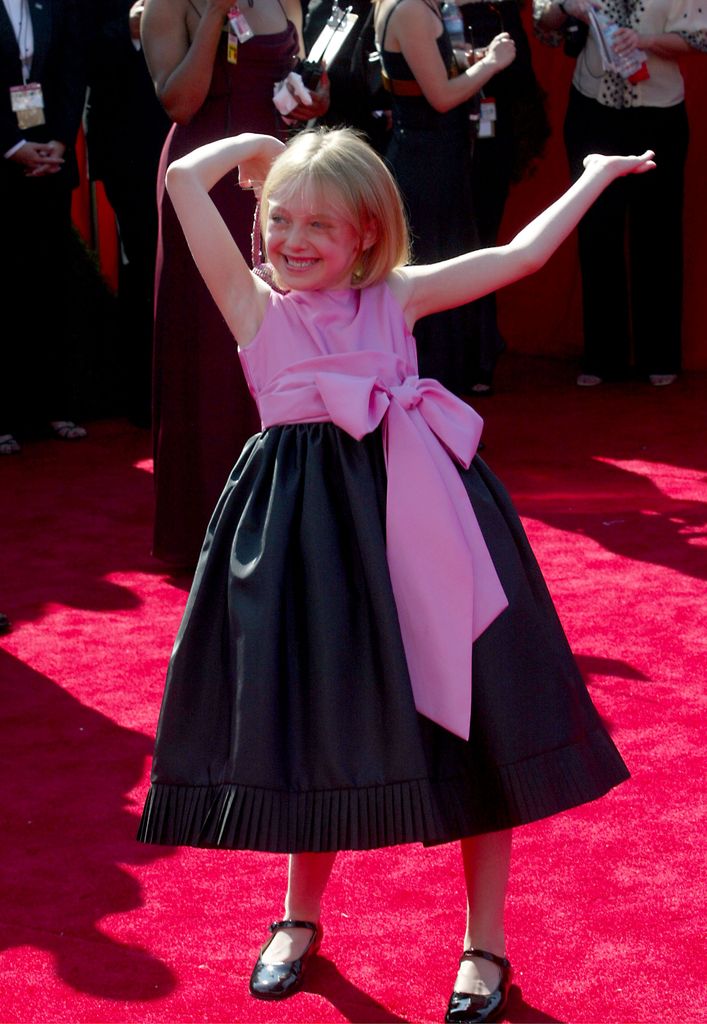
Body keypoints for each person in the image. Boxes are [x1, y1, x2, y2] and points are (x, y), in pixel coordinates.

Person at [137, 124, 653, 1021]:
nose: (291, 242)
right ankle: (298, 920)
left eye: (319, 227)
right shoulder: (254, 307)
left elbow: (521, 257)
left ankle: (481, 942)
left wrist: (595, 177)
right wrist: (263, 145)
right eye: (276, 219)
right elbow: (184, 178)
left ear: (367, 234)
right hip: (305, 551)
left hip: (429, 531)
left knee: (476, 718)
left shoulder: (399, 297)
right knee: (309, 722)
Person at [141, 0, 329, 568]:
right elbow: (180, 101)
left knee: (281, 331)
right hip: (204, 183)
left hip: (276, 183)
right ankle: (204, 523)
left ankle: (283, 514)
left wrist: (309, 102)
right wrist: (215, 21)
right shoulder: (167, 7)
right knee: (209, 344)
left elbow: (296, 90)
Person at [533, 0, 707, 387]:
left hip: (659, 112)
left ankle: (659, 355)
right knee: (596, 228)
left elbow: (700, 38)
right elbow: (544, 25)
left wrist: (643, 40)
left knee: (658, 232)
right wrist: (566, 7)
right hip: (592, 109)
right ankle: (602, 356)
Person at [373, 0, 515, 398]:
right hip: (424, 164)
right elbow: (440, 95)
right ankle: (430, 400)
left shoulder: (418, 6)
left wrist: (472, 58)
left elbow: (426, 70)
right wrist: (491, 63)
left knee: (444, 273)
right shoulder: (410, 10)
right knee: (433, 277)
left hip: (436, 159)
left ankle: (441, 397)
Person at [0, 0, 88, 456]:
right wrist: (11, 145)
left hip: (50, 164)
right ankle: (6, 416)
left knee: (52, 285)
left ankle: (56, 405)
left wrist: (59, 138)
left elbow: (72, 71)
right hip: (4, 164)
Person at [84, 0, 171, 428]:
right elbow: (79, 46)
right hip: (129, 154)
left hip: (186, 141)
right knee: (143, 269)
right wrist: (132, 30)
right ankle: (142, 394)